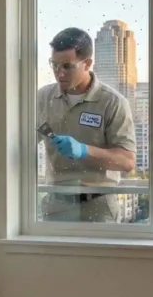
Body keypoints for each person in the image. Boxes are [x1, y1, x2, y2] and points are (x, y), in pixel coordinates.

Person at [38, 27, 136, 222]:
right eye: (54, 65)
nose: (59, 73)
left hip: (99, 206)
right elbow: (19, 141)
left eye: (67, 66)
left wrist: (84, 150)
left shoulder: (112, 102)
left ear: (87, 64)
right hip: (57, 203)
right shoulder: (42, 98)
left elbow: (127, 162)